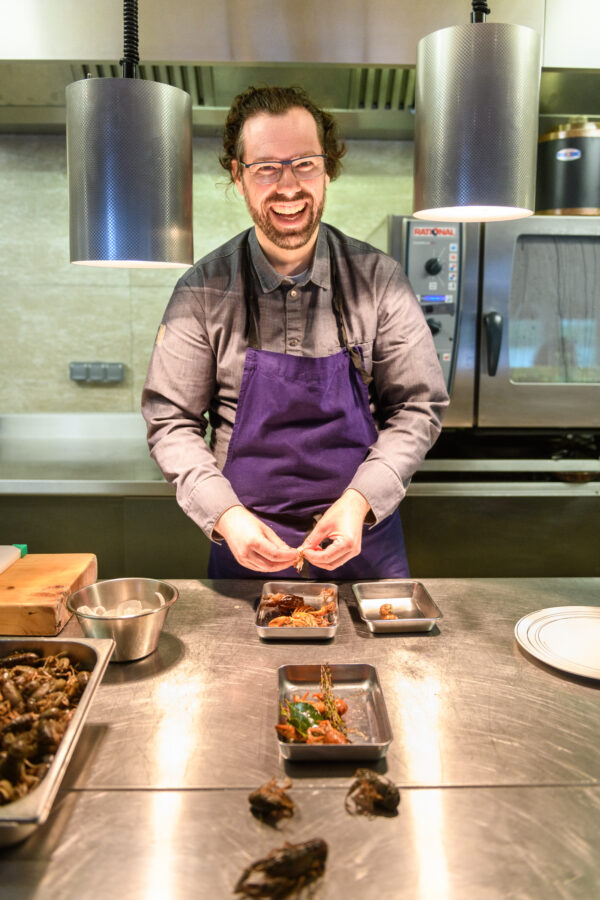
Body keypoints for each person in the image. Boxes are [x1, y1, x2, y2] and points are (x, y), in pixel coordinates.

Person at [142, 85, 449, 580]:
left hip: (363, 547)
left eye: (304, 163)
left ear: (327, 169)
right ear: (239, 178)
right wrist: (226, 515)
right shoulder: (201, 290)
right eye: (266, 168)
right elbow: (170, 421)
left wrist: (360, 501)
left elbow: (418, 406)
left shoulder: (379, 279)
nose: (288, 187)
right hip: (245, 555)